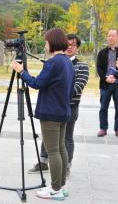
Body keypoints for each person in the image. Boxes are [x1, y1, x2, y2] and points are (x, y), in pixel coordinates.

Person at [11, 28, 74, 201]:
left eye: (46, 42)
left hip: (51, 113)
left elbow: (37, 83)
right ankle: (61, 186)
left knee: (53, 150)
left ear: (52, 42)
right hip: (62, 111)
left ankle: (55, 189)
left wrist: (21, 71)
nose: (45, 45)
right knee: (60, 148)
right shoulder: (67, 61)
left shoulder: (54, 63)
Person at [28, 34, 89, 177]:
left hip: (68, 107)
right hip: (58, 107)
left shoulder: (80, 66)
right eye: (67, 43)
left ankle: (64, 169)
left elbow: (77, 86)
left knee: (65, 140)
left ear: (77, 48)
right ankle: (44, 163)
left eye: (73, 44)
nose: (69, 47)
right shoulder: (60, 62)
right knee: (52, 139)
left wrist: (60, 92)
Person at [96, 29, 118, 137]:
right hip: (105, 84)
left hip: (117, 83)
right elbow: (99, 68)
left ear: (117, 37)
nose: (110, 38)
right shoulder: (102, 52)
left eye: (113, 36)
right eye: (109, 36)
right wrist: (106, 78)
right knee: (103, 107)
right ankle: (103, 128)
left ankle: (117, 129)